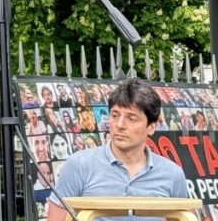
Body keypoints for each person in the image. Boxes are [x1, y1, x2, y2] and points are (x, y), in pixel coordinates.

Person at [47, 78, 189, 221]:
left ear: (152, 126)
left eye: (131, 118)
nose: (120, 125)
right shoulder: (79, 165)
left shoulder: (172, 174)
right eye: (115, 116)